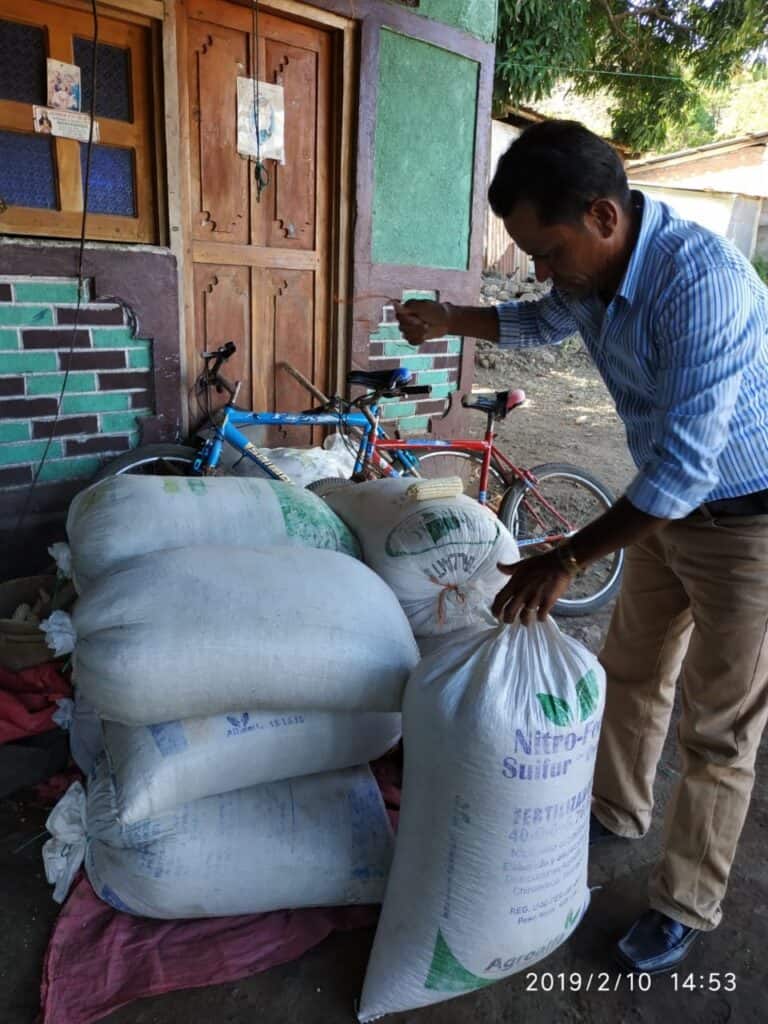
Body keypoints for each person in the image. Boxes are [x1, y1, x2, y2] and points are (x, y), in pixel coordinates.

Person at [394, 120, 768, 975]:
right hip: (662, 516)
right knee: (634, 674)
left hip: (748, 523)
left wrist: (565, 557)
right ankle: (617, 811)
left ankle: (685, 903)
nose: (542, 268)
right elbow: (537, 321)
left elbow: (681, 471)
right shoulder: (591, 272)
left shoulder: (696, 283)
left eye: (549, 249)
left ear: (604, 215)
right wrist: (453, 316)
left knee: (720, 729)